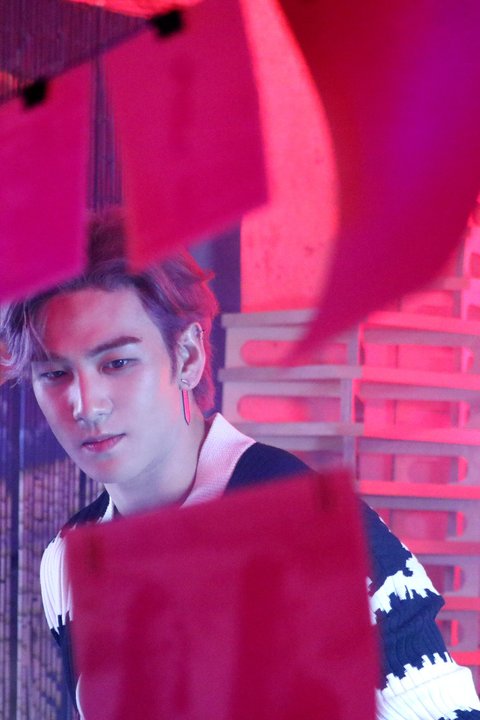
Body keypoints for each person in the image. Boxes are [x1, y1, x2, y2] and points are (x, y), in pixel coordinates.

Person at [1, 213, 479, 719]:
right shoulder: (66, 559)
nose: (85, 404)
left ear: (187, 357)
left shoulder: (314, 532)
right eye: (55, 373)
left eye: (117, 363)